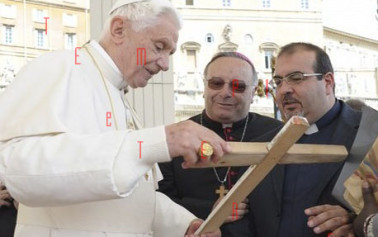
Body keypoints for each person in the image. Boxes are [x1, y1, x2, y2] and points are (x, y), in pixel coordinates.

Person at [0, 0, 227, 236]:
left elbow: (128, 198)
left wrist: (181, 224)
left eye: (169, 53)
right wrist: (157, 142)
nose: (165, 65)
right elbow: (18, 169)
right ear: (119, 29)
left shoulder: (120, 96)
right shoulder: (60, 67)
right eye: (159, 46)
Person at [158, 52, 282, 236]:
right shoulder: (176, 137)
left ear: (253, 92)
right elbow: (159, 201)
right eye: (216, 83)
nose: (225, 93)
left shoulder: (277, 134)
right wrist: (210, 209)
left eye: (238, 86)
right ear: (205, 87)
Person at [246, 42, 362, 237]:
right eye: (279, 82)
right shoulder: (262, 146)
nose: (283, 90)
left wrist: (358, 222)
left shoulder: (370, 132)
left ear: (327, 82)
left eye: (296, 78)